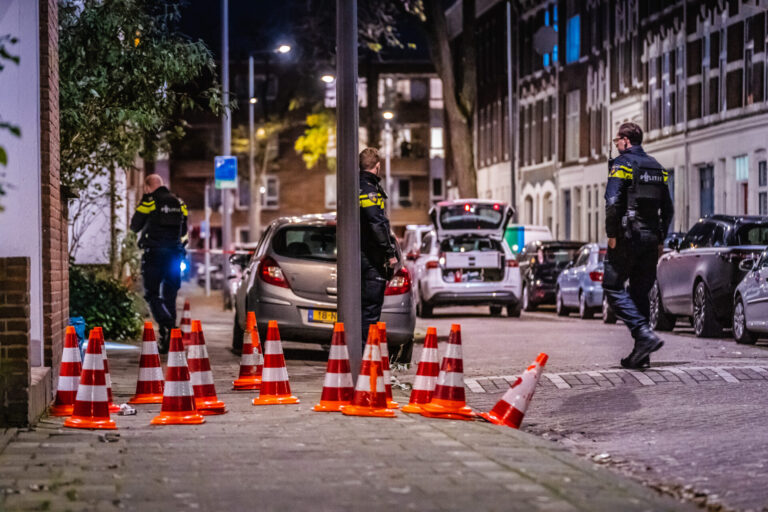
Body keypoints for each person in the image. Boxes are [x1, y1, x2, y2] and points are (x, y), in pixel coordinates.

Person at [603, 122, 673, 369]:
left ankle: (643, 334)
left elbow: (612, 202)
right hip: (651, 240)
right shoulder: (658, 168)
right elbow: (668, 208)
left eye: (617, 141)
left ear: (626, 141)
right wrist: (661, 239)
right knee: (640, 293)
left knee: (611, 286)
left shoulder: (622, 165)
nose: (617, 146)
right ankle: (641, 354)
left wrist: (612, 234)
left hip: (627, 237)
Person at [130, 174, 188, 353]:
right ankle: (168, 338)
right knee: (170, 295)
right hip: (175, 255)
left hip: (154, 255)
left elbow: (135, 225)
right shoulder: (180, 203)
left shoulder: (150, 202)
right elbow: (184, 230)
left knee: (152, 294)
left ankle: (169, 326)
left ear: (148, 187)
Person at [359, 147, 398, 347]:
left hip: (355, 258)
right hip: (371, 258)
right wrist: (390, 254)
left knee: (356, 311)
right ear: (378, 166)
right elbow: (377, 223)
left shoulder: (352, 186)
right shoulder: (369, 190)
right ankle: (366, 360)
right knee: (370, 311)